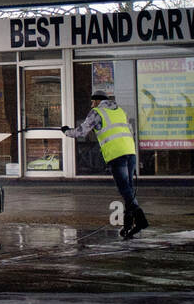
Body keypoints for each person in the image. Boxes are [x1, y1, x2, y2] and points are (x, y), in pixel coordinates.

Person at [61, 90, 149, 238]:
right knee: (128, 189)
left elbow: (81, 132)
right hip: (130, 151)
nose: (91, 104)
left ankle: (140, 220)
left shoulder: (97, 112)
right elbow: (130, 130)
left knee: (125, 189)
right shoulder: (120, 111)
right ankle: (128, 225)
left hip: (116, 154)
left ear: (96, 101)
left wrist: (66, 131)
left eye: (92, 102)